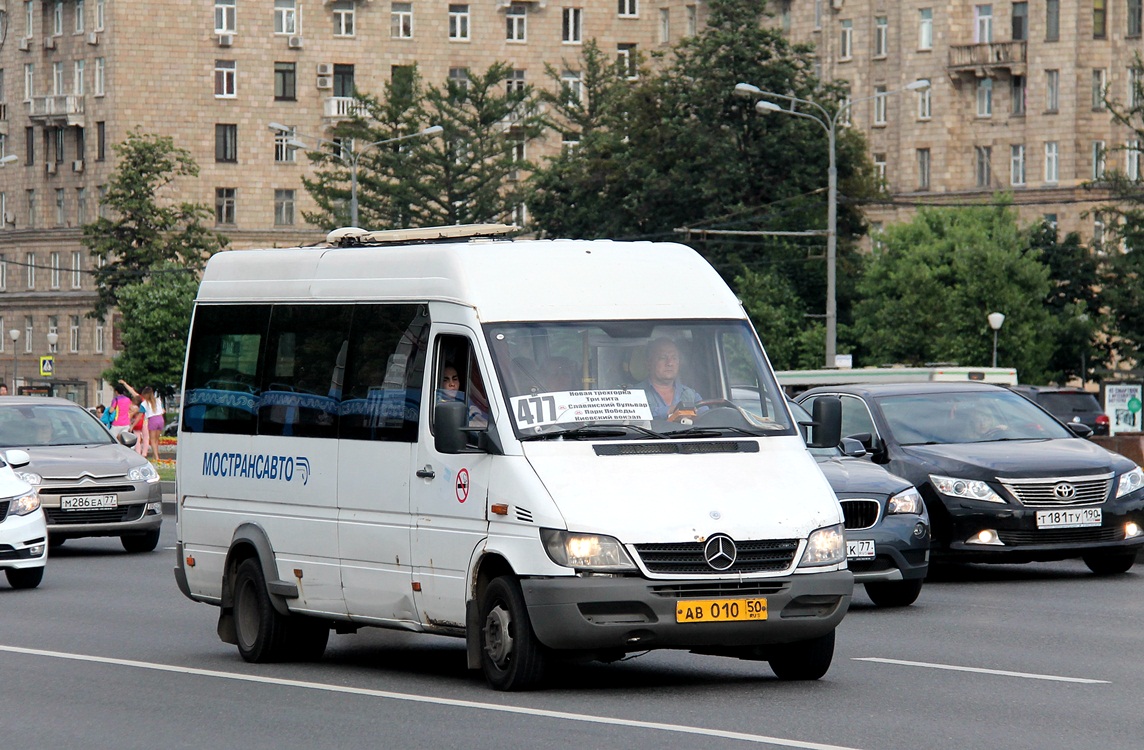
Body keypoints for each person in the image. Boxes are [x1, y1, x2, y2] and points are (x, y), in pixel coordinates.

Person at [637, 338, 702, 421]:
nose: (670, 363)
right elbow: (631, 417)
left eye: (674, 358)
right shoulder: (633, 394)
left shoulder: (691, 395)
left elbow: (707, 419)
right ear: (649, 363)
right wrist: (671, 411)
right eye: (663, 358)